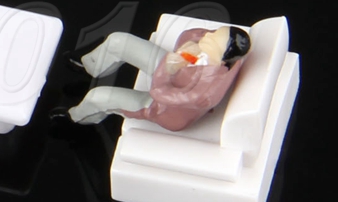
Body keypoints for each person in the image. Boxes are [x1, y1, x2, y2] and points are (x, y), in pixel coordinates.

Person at [67, 25, 251, 131]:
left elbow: (162, 93)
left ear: (223, 57)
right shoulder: (210, 49)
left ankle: (73, 119)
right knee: (118, 41)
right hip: (173, 68)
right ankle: (90, 66)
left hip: (164, 108)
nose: (207, 35)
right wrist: (189, 47)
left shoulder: (207, 90)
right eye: (212, 32)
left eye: (212, 39)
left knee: (97, 96)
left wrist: (169, 67)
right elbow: (186, 36)